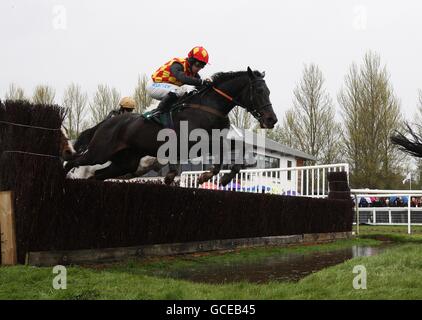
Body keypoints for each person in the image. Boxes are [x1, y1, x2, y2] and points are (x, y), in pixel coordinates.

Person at [146, 46, 213, 115]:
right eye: (198, 64)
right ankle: (157, 112)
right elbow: (182, 77)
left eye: (202, 66)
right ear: (191, 61)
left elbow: (199, 82)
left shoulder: (192, 71)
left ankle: (178, 121)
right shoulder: (178, 64)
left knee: (185, 98)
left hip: (165, 87)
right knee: (180, 91)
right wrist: (201, 82)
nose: (199, 68)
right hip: (153, 85)